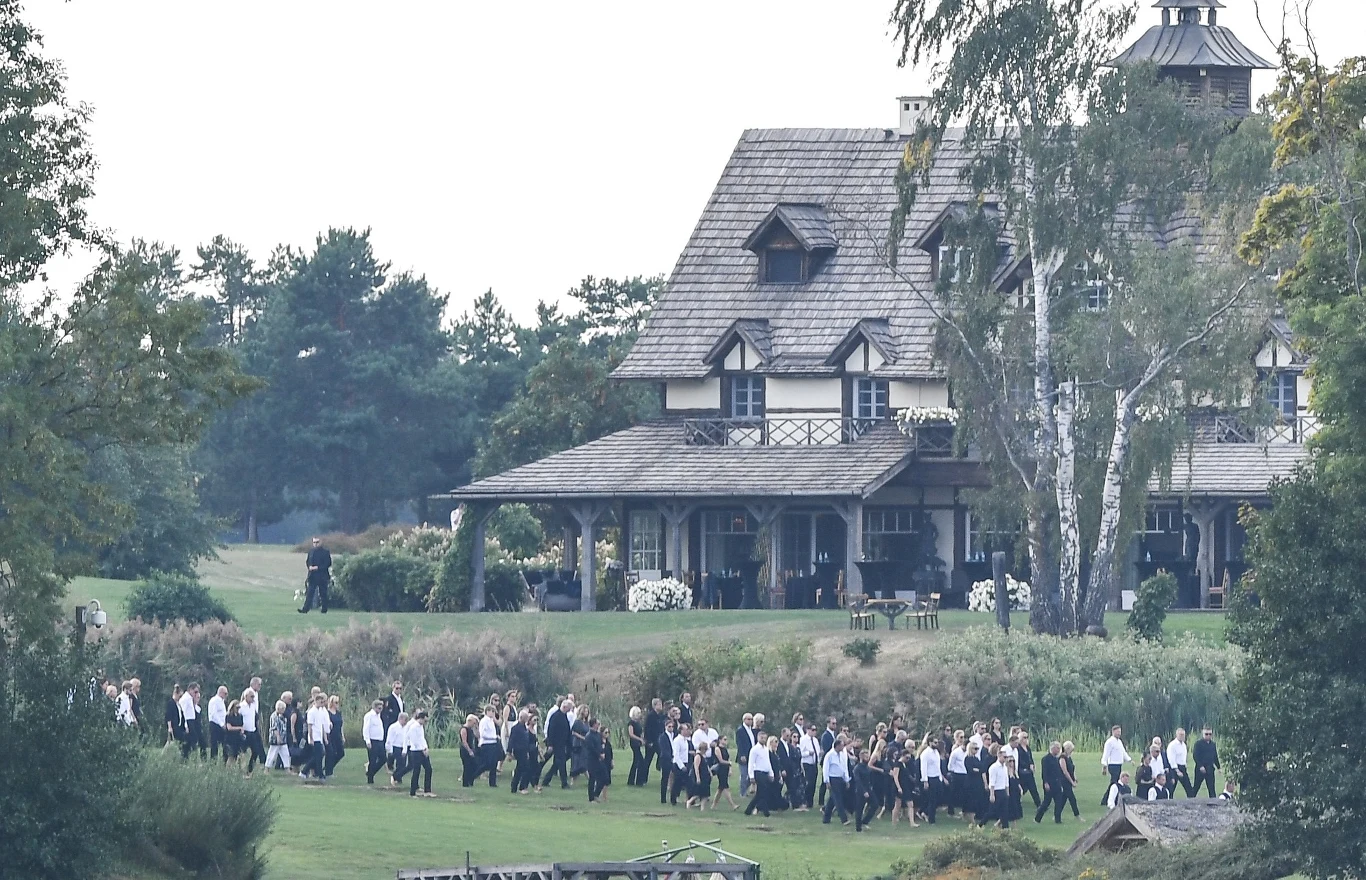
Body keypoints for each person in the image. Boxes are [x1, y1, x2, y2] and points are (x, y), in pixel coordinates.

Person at [299, 693, 331, 781]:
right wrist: (311, 738)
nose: (322, 704)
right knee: (319, 755)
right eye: (321, 702)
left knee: (318, 756)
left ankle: (305, 771)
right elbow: (310, 726)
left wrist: (324, 738)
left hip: (319, 737)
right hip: (314, 737)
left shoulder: (320, 711)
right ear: (316, 701)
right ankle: (319, 774)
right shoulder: (311, 712)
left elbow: (322, 726)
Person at [542, 699, 573, 790]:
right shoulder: (555, 716)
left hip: (562, 743)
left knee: (557, 763)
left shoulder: (564, 716)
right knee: (561, 763)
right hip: (556, 744)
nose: (570, 710)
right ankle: (564, 783)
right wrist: (550, 744)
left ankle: (546, 780)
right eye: (569, 708)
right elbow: (550, 731)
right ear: (565, 707)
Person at [821, 735, 850, 825]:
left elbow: (844, 767)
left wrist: (846, 779)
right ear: (837, 746)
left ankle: (826, 818)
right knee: (838, 799)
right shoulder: (829, 755)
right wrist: (827, 781)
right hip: (833, 778)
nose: (843, 747)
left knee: (832, 800)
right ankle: (844, 819)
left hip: (840, 778)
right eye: (841, 745)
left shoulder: (842, 754)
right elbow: (825, 768)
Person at [1100, 726, 1133, 805]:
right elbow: (1106, 754)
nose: (1119, 733)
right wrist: (1104, 765)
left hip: (1118, 764)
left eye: (1120, 732)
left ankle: (1108, 799)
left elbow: (1123, 752)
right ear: (1113, 731)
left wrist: (1129, 760)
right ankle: (1106, 800)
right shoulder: (1110, 742)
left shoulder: (1119, 742)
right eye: (1118, 732)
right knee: (1114, 782)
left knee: (1114, 782)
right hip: (1112, 765)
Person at [298, 536, 332, 613]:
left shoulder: (325, 552)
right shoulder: (311, 552)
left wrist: (318, 567)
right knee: (310, 593)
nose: (315, 544)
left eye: (317, 542)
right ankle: (305, 609)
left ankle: (324, 609)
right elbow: (308, 561)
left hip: (322, 576)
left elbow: (328, 563)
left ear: (321, 542)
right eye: (314, 542)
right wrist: (309, 567)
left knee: (323, 593)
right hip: (312, 576)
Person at [1035, 742, 1066, 824]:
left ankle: (1058, 819)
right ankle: (1037, 818)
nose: (1059, 750)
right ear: (1052, 748)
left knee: (1059, 802)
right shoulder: (1045, 759)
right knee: (1046, 802)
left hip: (1057, 783)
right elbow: (1044, 772)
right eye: (1057, 748)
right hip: (1049, 784)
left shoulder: (1057, 759)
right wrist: (1046, 783)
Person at [743, 731, 772, 818]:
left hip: (765, 772)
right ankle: (766, 812)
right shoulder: (754, 749)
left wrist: (771, 773)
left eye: (764, 738)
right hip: (758, 772)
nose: (763, 740)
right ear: (758, 738)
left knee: (760, 793)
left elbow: (768, 762)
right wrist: (751, 776)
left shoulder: (766, 749)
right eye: (761, 738)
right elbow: (751, 763)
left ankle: (748, 810)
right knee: (763, 792)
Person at [983, 749, 1012, 829]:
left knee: (1005, 811)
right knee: (991, 811)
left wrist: (1007, 791)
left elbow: (1006, 781)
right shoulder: (994, 767)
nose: (1005, 759)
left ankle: (1005, 828)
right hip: (996, 791)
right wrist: (992, 794)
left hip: (1003, 790)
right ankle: (981, 824)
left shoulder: (1004, 768)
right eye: (1004, 757)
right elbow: (992, 782)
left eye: (1006, 757)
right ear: (999, 756)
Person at [406, 710, 433, 797]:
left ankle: (427, 790)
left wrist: (426, 748)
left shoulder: (421, 727)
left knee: (429, 769)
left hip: (422, 750)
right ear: (420, 719)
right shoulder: (413, 727)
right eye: (425, 721)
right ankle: (412, 792)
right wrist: (422, 749)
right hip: (416, 752)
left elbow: (422, 738)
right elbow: (415, 741)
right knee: (416, 771)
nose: (425, 723)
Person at [241, 688, 266, 775]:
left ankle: (250, 770)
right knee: (242, 752)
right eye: (251, 696)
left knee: (255, 751)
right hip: (244, 732)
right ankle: (241, 770)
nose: (253, 699)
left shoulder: (253, 707)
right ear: (246, 696)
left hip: (252, 731)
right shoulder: (241, 706)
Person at [508, 708, 534, 794]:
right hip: (518, 750)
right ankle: (522, 787)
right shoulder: (516, 728)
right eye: (526, 718)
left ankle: (514, 787)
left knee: (520, 769)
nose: (527, 720)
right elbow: (511, 740)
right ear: (521, 717)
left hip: (524, 750)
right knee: (526, 768)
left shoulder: (524, 728)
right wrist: (509, 752)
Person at [711, 734, 738, 810]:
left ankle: (714, 805)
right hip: (720, 769)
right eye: (724, 739)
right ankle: (733, 805)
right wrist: (729, 763)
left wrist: (730, 768)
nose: (726, 741)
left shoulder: (725, 749)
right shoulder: (717, 749)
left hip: (725, 769)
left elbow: (728, 759)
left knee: (720, 788)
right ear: (720, 740)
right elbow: (721, 760)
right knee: (725, 787)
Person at [641, 698, 664, 787]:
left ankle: (659, 766)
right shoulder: (650, 716)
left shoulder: (660, 715)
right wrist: (649, 741)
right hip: (652, 741)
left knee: (661, 755)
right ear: (654, 705)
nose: (661, 706)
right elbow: (647, 729)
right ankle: (643, 779)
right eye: (659, 704)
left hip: (659, 741)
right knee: (647, 760)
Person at [919, 734, 942, 824]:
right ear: (930, 742)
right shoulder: (925, 754)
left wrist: (940, 777)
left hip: (937, 777)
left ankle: (925, 812)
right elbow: (923, 767)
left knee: (940, 797)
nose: (936, 744)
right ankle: (931, 820)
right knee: (932, 799)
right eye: (935, 742)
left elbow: (937, 765)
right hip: (930, 778)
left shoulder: (936, 752)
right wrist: (925, 780)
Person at [382, 681, 404, 770]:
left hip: (401, 724)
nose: (398, 690)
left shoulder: (401, 699)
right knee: (391, 743)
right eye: (397, 688)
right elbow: (386, 712)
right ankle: (389, 763)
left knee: (399, 743)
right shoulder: (389, 699)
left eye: (400, 688)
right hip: (393, 724)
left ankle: (395, 762)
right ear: (393, 688)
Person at [362, 699, 386, 784]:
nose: (380, 710)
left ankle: (370, 773)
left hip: (379, 740)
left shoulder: (378, 716)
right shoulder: (369, 716)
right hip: (372, 740)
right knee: (373, 759)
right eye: (379, 708)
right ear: (374, 707)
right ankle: (370, 779)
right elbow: (366, 728)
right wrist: (367, 741)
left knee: (383, 758)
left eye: (381, 708)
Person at [1192, 727, 1221, 798]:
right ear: (1203, 734)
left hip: (1210, 768)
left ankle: (1214, 803)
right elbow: (1195, 756)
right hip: (1200, 769)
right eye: (1206, 734)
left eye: (1210, 734)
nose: (1208, 736)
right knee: (1196, 787)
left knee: (1211, 788)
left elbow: (1215, 756)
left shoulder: (1213, 744)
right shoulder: (1198, 744)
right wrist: (1200, 766)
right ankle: (1190, 800)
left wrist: (1219, 767)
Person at [478, 703, 502, 787]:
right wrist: (493, 737)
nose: (493, 713)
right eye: (491, 711)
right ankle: (474, 775)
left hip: (493, 744)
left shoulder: (491, 721)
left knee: (494, 764)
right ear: (487, 711)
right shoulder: (484, 721)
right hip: (486, 744)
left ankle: (493, 783)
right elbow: (483, 734)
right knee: (486, 764)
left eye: (494, 711)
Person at [670, 722, 692, 806]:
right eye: (686, 729)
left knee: (688, 782)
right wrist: (681, 766)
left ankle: (690, 799)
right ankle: (673, 799)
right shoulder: (677, 740)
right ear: (681, 730)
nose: (688, 731)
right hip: (678, 764)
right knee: (677, 782)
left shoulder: (686, 740)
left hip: (685, 763)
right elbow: (676, 755)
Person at [817, 716, 838, 807]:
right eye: (833, 723)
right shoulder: (826, 735)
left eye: (835, 723)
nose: (834, 725)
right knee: (824, 781)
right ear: (828, 724)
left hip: (833, 761)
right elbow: (826, 749)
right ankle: (821, 801)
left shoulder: (834, 734)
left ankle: (828, 799)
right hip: (827, 761)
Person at [584, 718, 606, 802]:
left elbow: (601, 745)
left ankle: (596, 794)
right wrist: (599, 754)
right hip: (591, 760)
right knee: (592, 778)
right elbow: (591, 748)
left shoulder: (598, 734)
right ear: (594, 724)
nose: (599, 724)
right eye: (598, 723)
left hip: (600, 759)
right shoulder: (589, 736)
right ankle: (591, 798)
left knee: (604, 777)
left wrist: (603, 752)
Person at [179, 683, 203, 760]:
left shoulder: (190, 699)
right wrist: (186, 725)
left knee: (192, 740)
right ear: (190, 690)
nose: (196, 694)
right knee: (191, 740)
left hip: (192, 721)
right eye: (195, 692)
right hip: (188, 721)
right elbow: (184, 712)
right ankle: (188, 757)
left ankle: (188, 757)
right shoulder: (186, 699)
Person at [1166, 728, 1193, 797]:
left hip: (1182, 767)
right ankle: (1168, 802)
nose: (1182, 736)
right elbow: (1171, 759)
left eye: (1183, 735)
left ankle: (1191, 802)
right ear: (1177, 735)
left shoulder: (1184, 745)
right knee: (1171, 788)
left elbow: (1183, 757)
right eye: (1180, 735)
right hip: (1174, 768)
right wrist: (1177, 770)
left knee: (1189, 788)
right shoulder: (1172, 745)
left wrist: (1185, 766)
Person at [266, 700, 291, 771]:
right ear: (278, 708)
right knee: (272, 753)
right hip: (275, 739)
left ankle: (287, 768)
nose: (284, 710)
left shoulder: (282, 716)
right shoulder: (274, 716)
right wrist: (278, 737)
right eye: (283, 709)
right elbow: (274, 728)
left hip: (283, 738)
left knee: (285, 754)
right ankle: (267, 768)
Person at [799, 724, 819, 809]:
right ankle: (806, 800)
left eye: (815, 730)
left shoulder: (815, 740)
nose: (814, 732)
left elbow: (817, 751)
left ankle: (810, 801)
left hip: (814, 763)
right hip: (807, 763)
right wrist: (808, 753)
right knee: (809, 783)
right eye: (812, 730)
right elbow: (801, 753)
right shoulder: (803, 739)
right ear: (808, 730)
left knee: (813, 783)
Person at [657, 718, 677, 805]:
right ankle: (663, 798)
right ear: (665, 727)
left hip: (675, 759)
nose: (671, 728)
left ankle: (673, 798)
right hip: (666, 760)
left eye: (672, 726)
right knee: (665, 779)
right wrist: (670, 757)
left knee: (676, 779)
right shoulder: (662, 737)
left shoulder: (675, 735)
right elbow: (664, 750)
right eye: (669, 726)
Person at [386, 711, 410, 783]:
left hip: (404, 747)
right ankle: (395, 777)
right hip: (396, 747)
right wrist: (390, 750)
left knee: (403, 764)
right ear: (400, 719)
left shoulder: (406, 727)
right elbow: (389, 739)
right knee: (400, 764)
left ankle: (397, 778)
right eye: (405, 720)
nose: (406, 722)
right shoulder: (393, 727)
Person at [736, 713, 756, 797]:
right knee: (744, 774)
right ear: (744, 720)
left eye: (751, 719)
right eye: (748, 719)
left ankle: (745, 789)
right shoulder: (741, 730)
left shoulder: (751, 730)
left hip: (751, 756)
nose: (750, 721)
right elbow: (739, 743)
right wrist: (742, 755)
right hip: (744, 756)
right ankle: (742, 792)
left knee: (752, 774)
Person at [324, 694, 345, 777]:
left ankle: (329, 767)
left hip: (338, 735)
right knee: (330, 753)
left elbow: (341, 725)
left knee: (341, 753)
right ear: (331, 703)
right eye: (336, 702)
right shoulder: (327, 713)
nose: (337, 704)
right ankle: (329, 772)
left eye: (338, 702)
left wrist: (342, 735)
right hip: (331, 735)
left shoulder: (339, 713)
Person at [1060, 741, 1082, 821]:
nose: (1072, 752)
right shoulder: (1062, 758)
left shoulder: (1069, 757)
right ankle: (1077, 816)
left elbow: (1072, 769)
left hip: (1069, 781)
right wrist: (1072, 782)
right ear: (1067, 749)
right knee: (1072, 799)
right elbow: (1065, 771)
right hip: (1064, 781)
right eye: (1071, 750)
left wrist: (1075, 778)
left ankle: (1057, 814)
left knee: (1063, 799)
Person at [627, 706, 647, 786]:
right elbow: (631, 734)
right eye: (638, 713)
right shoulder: (631, 723)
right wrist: (639, 739)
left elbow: (640, 732)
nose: (640, 715)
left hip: (638, 743)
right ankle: (638, 781)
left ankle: (632, 781)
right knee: (639, 761)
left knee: (636, 761)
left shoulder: (638, 723)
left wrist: (642, 738)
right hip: (634, 743)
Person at [459, 714, 480, 787]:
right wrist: (469, 751)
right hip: (465, 750)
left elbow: (477, 736)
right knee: (467, 766)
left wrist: (476, 727)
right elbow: (464, 741)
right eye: (473, 723)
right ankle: (465, 783)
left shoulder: (471, 729)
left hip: (471, 748)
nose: (474, 724)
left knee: (474, 765)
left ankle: (470, 781)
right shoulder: (464, 729)